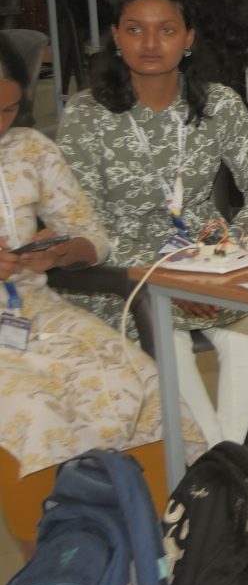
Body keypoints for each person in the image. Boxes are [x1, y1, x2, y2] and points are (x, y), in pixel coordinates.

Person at [58, 0, 248, 451]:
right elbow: (85, 224)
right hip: (128, 279)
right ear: (115, 37)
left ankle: (228, 470)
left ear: (188, 38)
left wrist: (229, 255)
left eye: (166, 30)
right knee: (168, 340)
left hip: (212, 266)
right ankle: (215, 468)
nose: (150, 43)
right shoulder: (85, 113)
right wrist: (171, 279)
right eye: (134, 29)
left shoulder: (219, 102)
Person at [0, 34, 166, 480]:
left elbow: (92, 236)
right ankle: (63, 522)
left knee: (137, 378)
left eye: (8, 109)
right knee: (37, 409)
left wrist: (60, 252)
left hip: (34, 311)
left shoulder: (28, 148)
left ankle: (148, 512)